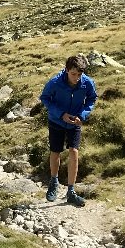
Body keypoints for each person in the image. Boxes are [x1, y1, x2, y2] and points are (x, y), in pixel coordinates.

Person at [40, 54, 97, 207]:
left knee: (74, 151)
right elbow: (45, 98)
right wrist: (60, 114)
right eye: (73, 74)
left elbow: (92, 98)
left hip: (75, 122)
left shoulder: (87, 83)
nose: (76, 78)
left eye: (79, 74)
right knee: (55, 151)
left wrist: (82, 115)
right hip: (56, 120)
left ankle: (71, 191)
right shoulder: (55, 82)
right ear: (66, 70)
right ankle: (53, 181)